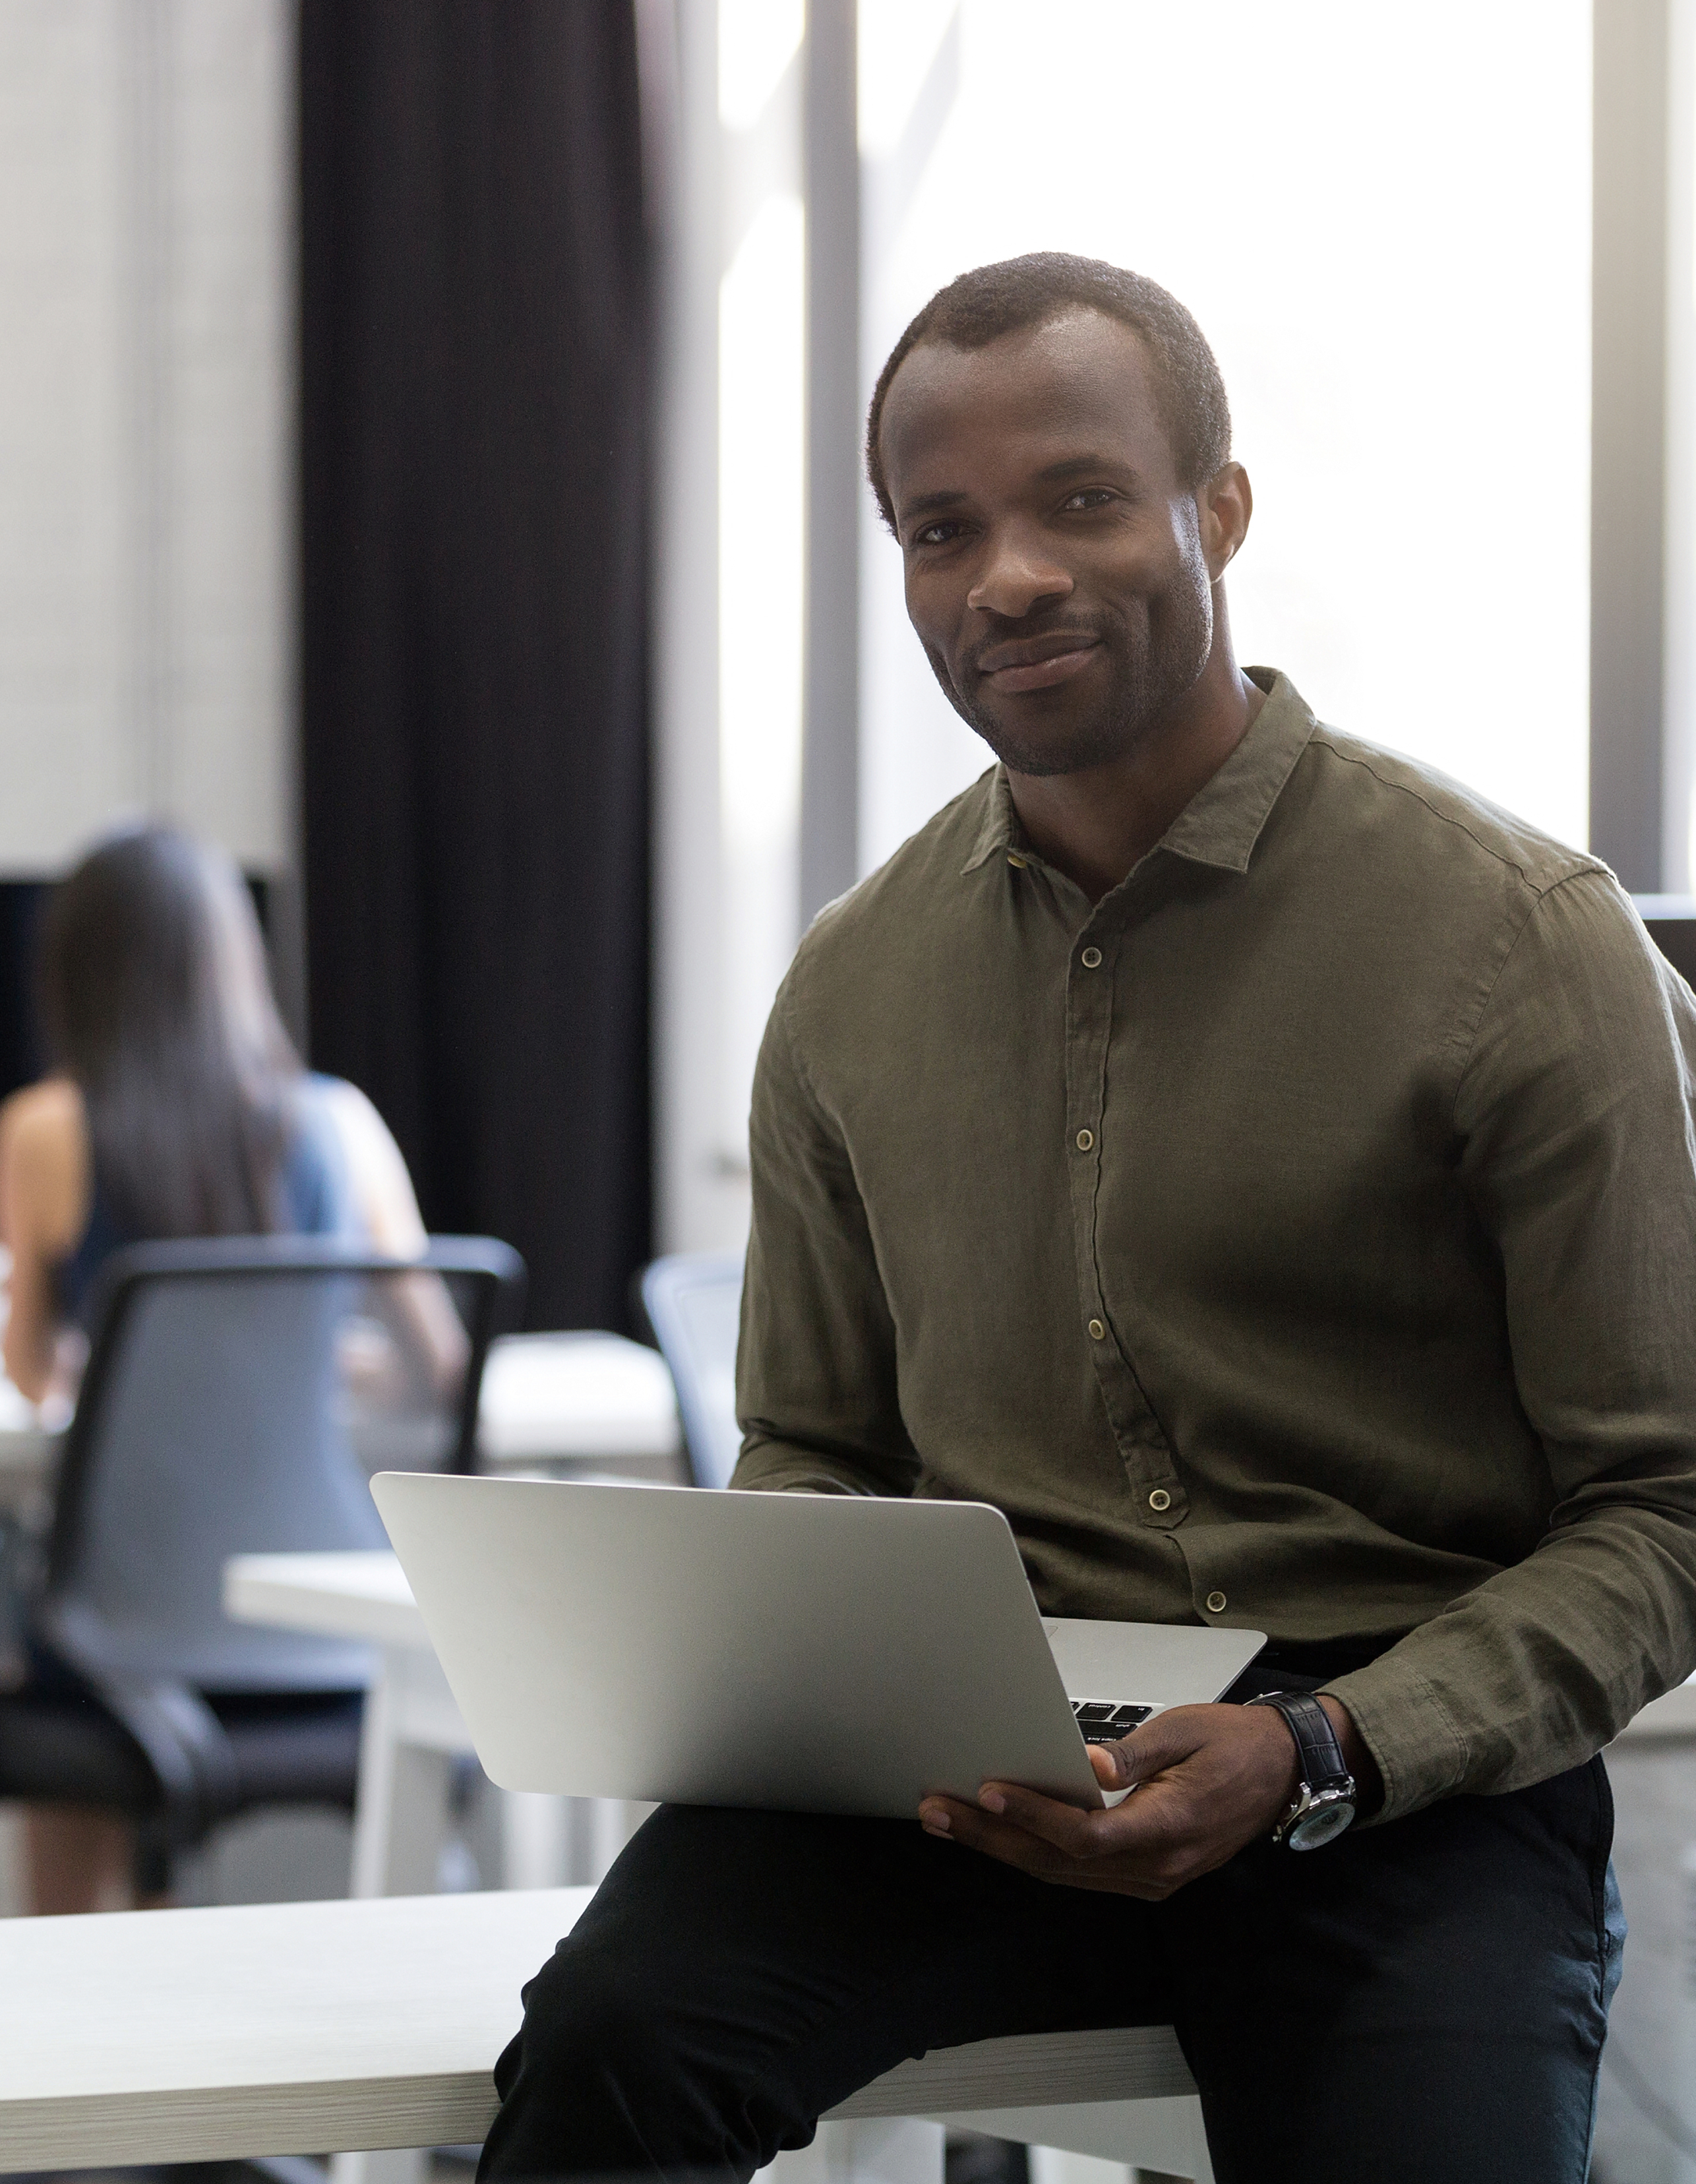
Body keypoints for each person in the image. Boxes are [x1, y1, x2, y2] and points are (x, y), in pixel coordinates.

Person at [480, 256, 1696, 2184]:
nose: (1010, 578)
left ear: (1219, 509)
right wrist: (828, 1668)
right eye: (940, 530)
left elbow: (1662, 1508)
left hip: (1391, 1778)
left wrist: (1322, 1749)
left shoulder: (1523, 942)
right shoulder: (849, 987)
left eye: (1080, 500)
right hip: (974, 1764)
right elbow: (811, 1446)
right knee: (604, 2059)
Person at [0, 824, 451, 1910]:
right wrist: (305, 1365)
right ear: (234, 962)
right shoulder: (342, 1126)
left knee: (53, 1626)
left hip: (121, 1628)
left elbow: (32, 1376)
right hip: (324, 1623)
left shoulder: (46, 1132)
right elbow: (437, 1368)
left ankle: (74, 1975)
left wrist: (130, 1368)